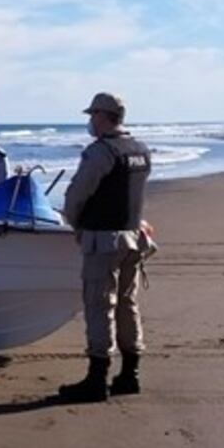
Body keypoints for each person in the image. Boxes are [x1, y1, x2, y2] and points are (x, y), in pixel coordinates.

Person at [60, 92, 152, 402]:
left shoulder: (101, 152)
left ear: (102, 116)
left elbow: (76, 196)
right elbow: (132, 195)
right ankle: (130, 374)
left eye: (92, 115)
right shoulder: (140, 150)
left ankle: (96, 379)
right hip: (133, 237)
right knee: (127, 304)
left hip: (104, 240)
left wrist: (74, 224)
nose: (89, 121)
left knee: (100, 306)